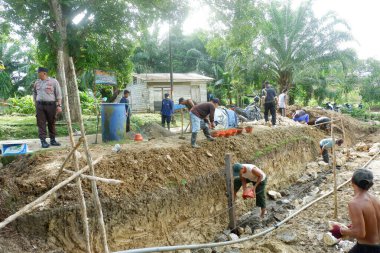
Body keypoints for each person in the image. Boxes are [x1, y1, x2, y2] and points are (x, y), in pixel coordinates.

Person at [340, 169, 380, 253]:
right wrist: (354, 226)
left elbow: (360, 233)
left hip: (368, 248)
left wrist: (342, 231)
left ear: (352, 181)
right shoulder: (374, 199)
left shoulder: (354, 203)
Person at [33, 67, 62, 148]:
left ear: (44, 73)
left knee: (51, 122)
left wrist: (59, 105)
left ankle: (53, 140)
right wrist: (35, 102)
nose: (37, 74)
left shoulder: (53, 81)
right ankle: (43, 141)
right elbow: (34, 93)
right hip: (40, 106)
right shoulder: (37, 82)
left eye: (39, 72)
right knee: (41, 123)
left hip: (51, 105)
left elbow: (58, 94)